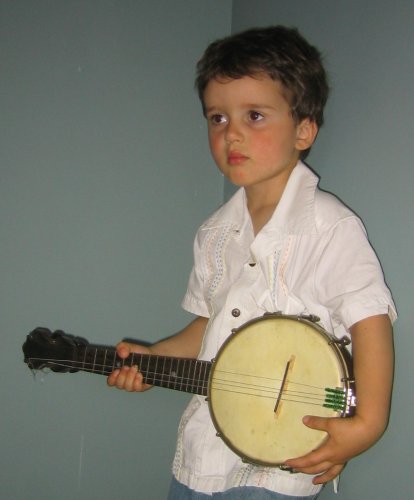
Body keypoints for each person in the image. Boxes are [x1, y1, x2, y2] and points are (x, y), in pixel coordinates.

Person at [107, 26, 396, 499]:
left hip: (282, 467)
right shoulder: (214, 235)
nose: (231, 133)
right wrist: (153, 359)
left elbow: (371, 319)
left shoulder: (330, 227)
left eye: (254, 115)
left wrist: (367, 424)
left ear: (304, 129)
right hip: (201, 454)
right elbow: (208, 326)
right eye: (217, 118)